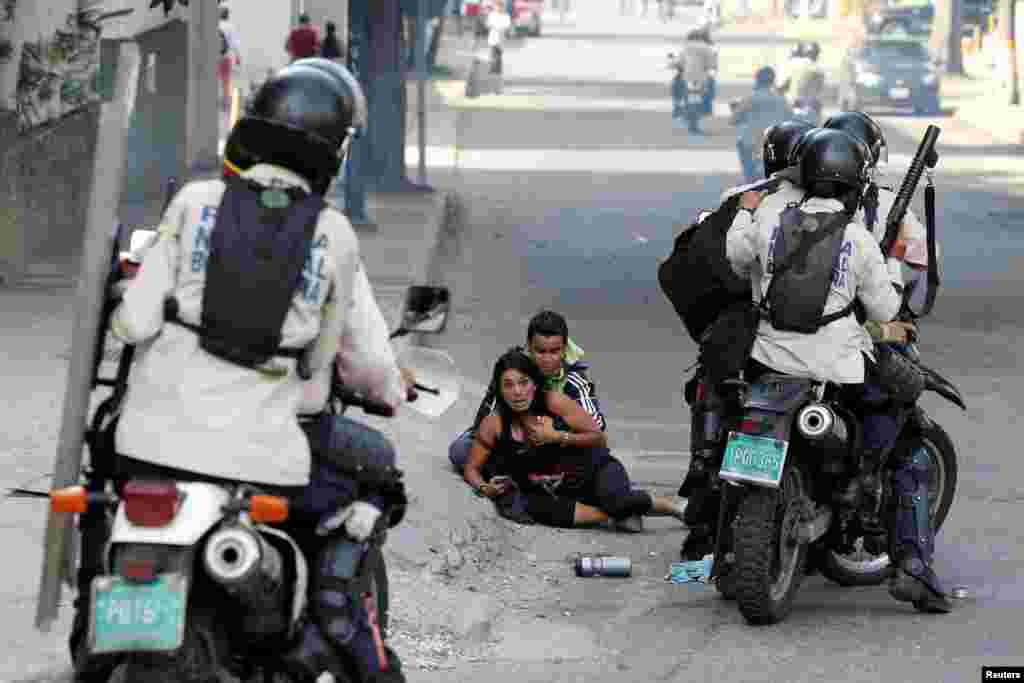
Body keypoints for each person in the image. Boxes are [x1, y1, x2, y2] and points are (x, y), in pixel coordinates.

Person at [78, 63, 411, 683]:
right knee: (374, 481)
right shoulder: (332, 234)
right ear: (335, 153)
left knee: (101, 487)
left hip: (148, 446)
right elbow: (321, 364)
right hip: (262, 461)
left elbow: (131, 326)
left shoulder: (191, 203)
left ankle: (89, 630)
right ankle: (341, 621)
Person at [726, 128, 951, 613]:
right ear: (858, 181)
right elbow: (887, 308)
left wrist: (746, 213)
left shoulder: (766, 219)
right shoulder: (857, 239)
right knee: (903, 434)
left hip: (767, 362)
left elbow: (737, 257)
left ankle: (722, 546)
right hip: (837, 367)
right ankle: (910, 561)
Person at [665, 120, 815, 560]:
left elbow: (697, 263)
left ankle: (704, 474)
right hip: (795, 340)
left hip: (736, 340)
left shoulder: (741, 199)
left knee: (710, 387)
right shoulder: (826, 209)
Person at [463, 350, 687, 531]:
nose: (518, 392)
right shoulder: (494, 424)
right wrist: (484, 487)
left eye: (523, 382)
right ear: (500, 391)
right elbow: (472, 467)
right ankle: (616, 513)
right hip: (556, 491)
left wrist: (557, 436)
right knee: (534, 506)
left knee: (619, 502)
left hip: (593, 470)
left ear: (535, 383)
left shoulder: (554, 403)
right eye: (508, 385)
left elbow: (599, 438)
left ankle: (669, 506)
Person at [449, 310, 605, 469]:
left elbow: (596, 427)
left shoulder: (574, 380)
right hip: (512, 443)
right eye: (541, 351)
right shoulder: (511, 369)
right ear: (530, 347)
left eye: (554, 351)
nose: (547, 359)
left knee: (591, 455)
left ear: (564, 349)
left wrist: (555, 432)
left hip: (556, 445)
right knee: (461, 450)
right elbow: (485, 421)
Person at [730, 66, 791, 183]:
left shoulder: (750, 98)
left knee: (749, 174)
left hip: (751, 143)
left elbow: (733, 120)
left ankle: (749, 179)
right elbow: (791, 118)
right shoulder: (781, 99)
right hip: (775, 142)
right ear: (773, 81)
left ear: (757, 80)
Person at [677, 27, 718, 135]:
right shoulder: (707, 48)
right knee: (701, 98)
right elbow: (712, 65)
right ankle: (697, 118)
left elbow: (680, 63)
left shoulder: (685, 48)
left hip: (687, 78)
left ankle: (687, 116)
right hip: (701, 78)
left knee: (688, 97)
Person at [778, 42, 826, 122]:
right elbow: (818, 91)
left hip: (793, 106)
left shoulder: (793, 64)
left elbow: (782, 86)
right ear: (817, 54)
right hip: (810, 108)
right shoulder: (819, 69)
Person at [218, 6, 242, 112]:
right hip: (226, 57)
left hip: (214, 57)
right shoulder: (231, 27)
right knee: (226, 82)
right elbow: (234, 43)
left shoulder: (215, 25)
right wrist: (237, 56)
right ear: (228, 15)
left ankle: (213, 103)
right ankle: (225, 105)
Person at [486, 0, 511, 77]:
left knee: (499, 54)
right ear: (494, 7)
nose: (498, 8)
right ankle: (493, 68)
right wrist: (492, 26)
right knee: (493, 54)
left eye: (500, 7)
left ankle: (498, 69)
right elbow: (488, 24)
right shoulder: (492, 15)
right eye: (497, 7)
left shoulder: (505, 16)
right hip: (493, 38)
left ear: (503, 7)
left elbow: (507, 25)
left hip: (501, 38)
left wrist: (502, 28)